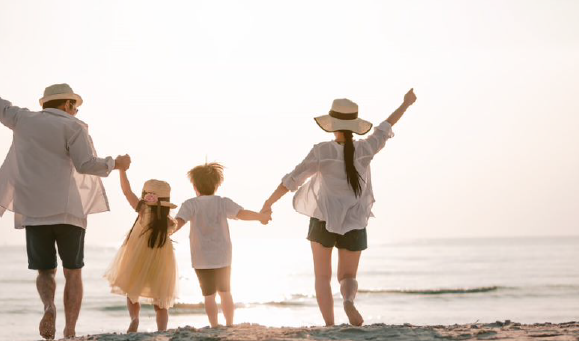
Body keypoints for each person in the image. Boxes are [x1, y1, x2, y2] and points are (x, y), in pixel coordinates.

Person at [0, 66, 130, 340]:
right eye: (75, 106)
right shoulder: (73, 127)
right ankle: (70, 330)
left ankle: (48, 307)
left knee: (45, 270)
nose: (76, 111)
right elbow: (85, 165)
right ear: (67, 105)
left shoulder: (22, 119)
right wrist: (115, 163)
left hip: (33, 210)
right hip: (68, 211)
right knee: (73, 271)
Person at [260, 89, 417, 327]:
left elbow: (293, 179)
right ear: (354, 125)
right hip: (355, 220)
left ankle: (330, 325)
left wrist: (268, 203)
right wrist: (405, 104)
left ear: (332, 125)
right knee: (348, 276)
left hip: (323, 219)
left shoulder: (323, 151)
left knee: (322, 277)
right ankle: (348, 300)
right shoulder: (366, 148)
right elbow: (386, 126)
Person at [174, 163, 271, 327]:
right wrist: (261, 217)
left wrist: (163, 232)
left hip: (201, 258)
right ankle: (229, 324)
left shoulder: (190, 204)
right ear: (216, 185)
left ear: (195, 186)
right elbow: (242, 214)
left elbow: (178, 223)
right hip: (223, 256)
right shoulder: (222, 202)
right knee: (226, 293)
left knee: (209, 296)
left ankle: (214, 325)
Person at [104, 177, 180, 333]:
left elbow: (127, 192)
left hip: (138, 256)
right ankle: (162, 330)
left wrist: (122, 172)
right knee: (161, 300)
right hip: (162, 260)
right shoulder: (169, 222)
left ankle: (135, 318)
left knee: (132, 291)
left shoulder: (143, 210)